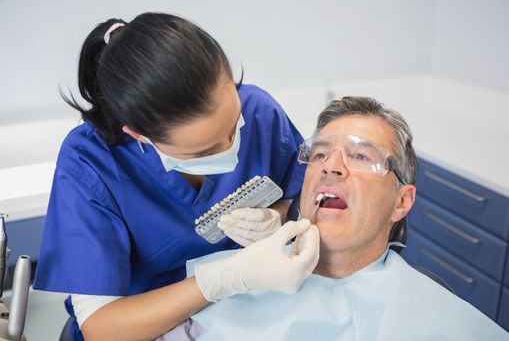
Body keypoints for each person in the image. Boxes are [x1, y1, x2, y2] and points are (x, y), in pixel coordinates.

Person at [33, 12, 320, 341]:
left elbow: (303, 195)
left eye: (233, 127)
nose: (230, 150)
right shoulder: (90, 161)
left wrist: (279, 216)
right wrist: (221, 279)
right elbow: (102, 325)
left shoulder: (258, 109)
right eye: (202, 151)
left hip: (250, 312)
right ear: (140, 135)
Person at [178, 96, 509, 340]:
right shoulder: (232, 278)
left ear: (401, 201)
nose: (330, 166)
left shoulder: (449, 325)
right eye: (319, 154)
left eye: (361, 155)